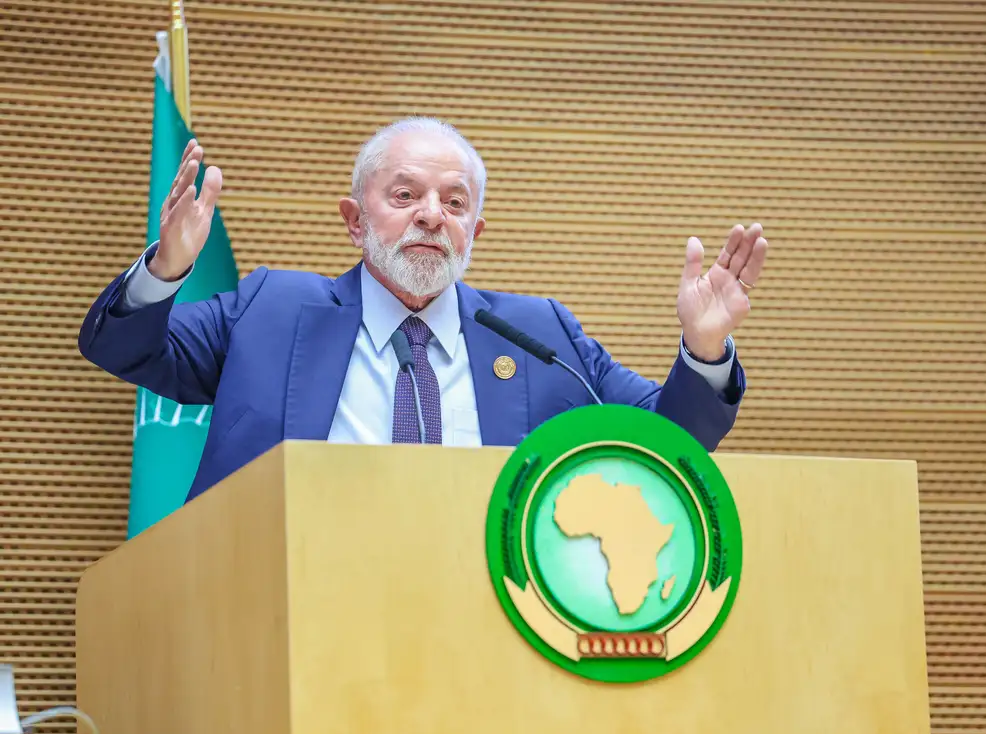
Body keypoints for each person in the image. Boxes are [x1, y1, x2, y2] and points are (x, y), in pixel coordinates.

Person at [78, 117, 768, 503]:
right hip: (287, 611)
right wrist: (166, 269)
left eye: (455, 203)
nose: (432, 216)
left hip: (485, 621)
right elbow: (124, 350)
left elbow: (667, 438)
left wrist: (704, 348)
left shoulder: (538, 334)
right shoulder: (271, 310)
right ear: (354, 221)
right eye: (404, 196)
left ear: (476, 232)